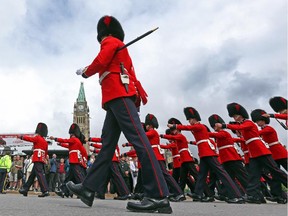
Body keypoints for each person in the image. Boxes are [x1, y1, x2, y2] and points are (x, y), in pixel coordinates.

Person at [66, 15, 172, 214]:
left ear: (103, 34)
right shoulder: (117, 45)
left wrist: (87, 72)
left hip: (119, 94)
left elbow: (101, 60)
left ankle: (158, 196)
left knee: (139, 140)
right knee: (107, 146)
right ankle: (88, 189)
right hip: (115, 98)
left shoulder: (110, 41)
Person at [168, 107, 244, 204]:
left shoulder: (199, 126)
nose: (190, 121)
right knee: (201, 175)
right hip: (203, 153)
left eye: (190, 119)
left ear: (195, 118)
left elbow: (188, 128)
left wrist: (175, 126)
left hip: (208, 152)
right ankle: (199, 193)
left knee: (221, 173)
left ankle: (237, 195)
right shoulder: (198, 128)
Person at [215, 102, 288, 204]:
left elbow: (240, 128)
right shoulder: (243, 125)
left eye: (236, 116)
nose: (235, 118)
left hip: (261, 151)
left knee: (275, 171)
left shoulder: (249, 123)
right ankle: (254, 195)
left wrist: (224, 125)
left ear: (241, 115)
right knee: (254, 175)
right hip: (253, 154)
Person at [50, 123, 86, 198]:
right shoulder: (75, 141)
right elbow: (68, 145)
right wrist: (61, 144)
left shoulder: (74, 139)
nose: (70, 135)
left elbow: (65, 140)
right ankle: (64, 191)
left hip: (75, 161)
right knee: (68, 178)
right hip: (73, 161)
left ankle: (84, 191)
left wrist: (55, 139)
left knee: (79, 178)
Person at [18, 122, 50, 197]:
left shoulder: (38, 138)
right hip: (41, 159)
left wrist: (22, 137)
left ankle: (45, 190)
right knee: (32, 175)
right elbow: (46, 152)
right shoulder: (45, 141)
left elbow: (30, 139)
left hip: (37, 158)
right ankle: (25, 189)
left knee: (39, 174)